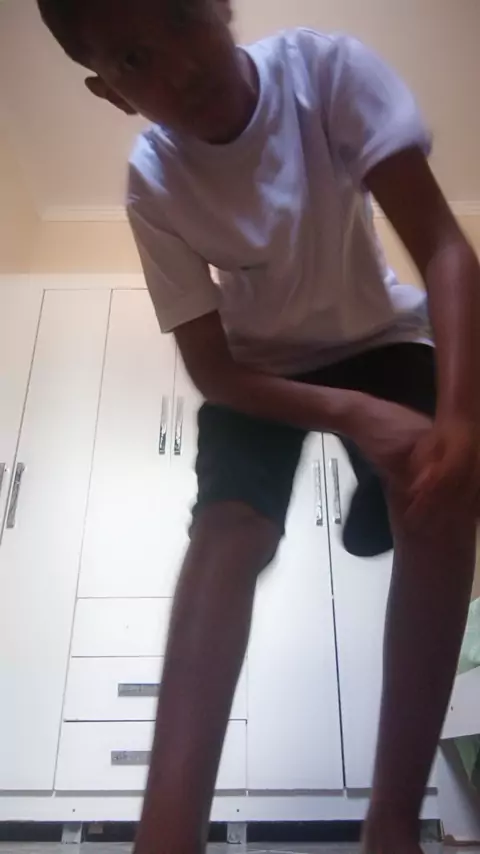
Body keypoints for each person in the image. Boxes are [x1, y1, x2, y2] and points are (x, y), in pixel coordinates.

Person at [37, 1, 480, 852]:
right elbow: (214, 372)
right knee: (229, 530)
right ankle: (166, 834)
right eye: (134, 60)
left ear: (220, 3)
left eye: (180, 19)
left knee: (441, 495)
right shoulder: (154, 180)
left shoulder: (326, 74)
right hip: (257, 371)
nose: (178, 69)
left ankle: (391, 822)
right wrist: (354, 416)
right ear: (111, 93)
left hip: (381, 337)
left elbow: (444, 247)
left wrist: (460, 416)